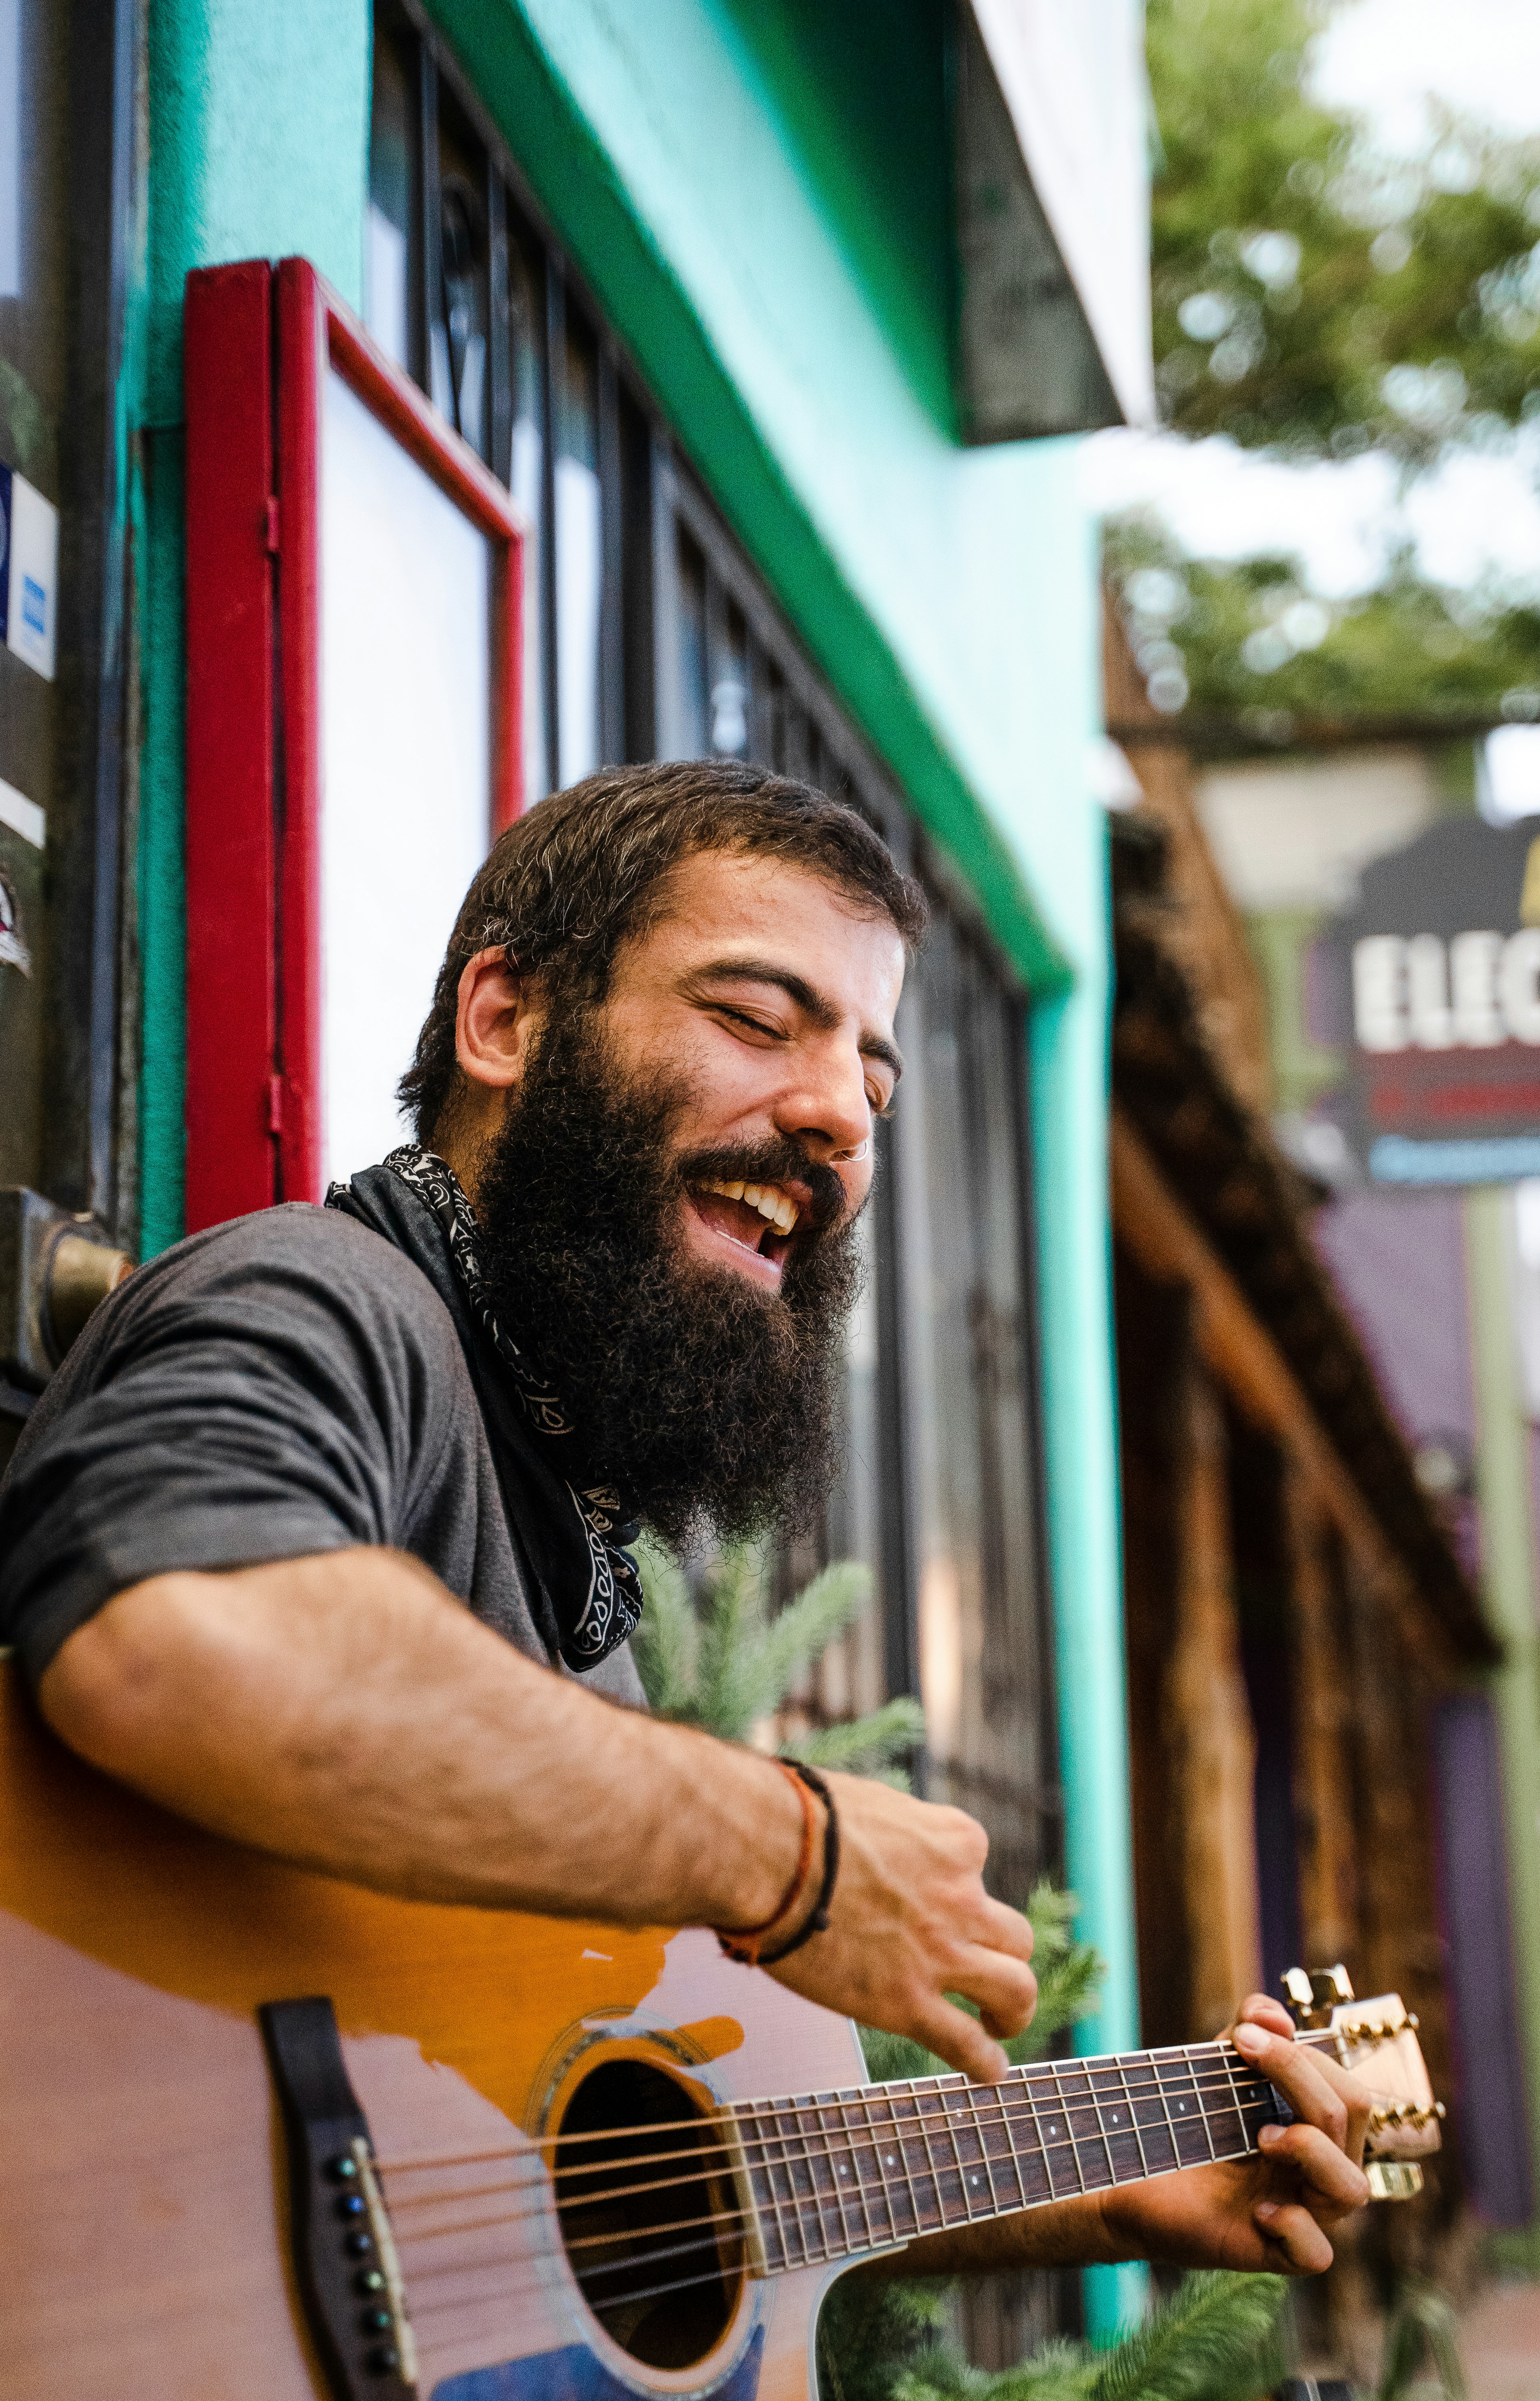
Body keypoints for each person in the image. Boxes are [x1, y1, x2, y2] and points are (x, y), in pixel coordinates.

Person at [0, 760, 1370, 2283]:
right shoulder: (325, 1298)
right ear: (506, 1020)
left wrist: (1116, 2197)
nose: (840, 1114)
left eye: (875, 1077)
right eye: (756, 1017)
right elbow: (174, 1633)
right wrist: (793, 1855)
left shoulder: (557, 1499)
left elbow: (568, 2188)